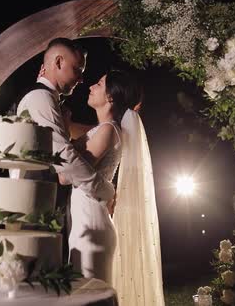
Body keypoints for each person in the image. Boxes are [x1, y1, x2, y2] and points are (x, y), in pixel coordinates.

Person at [63, 70, 165, 305]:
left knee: (89, 297)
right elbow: (73, 136)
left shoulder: (108, 130)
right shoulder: (101, 129)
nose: (91, 86)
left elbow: (67, 175)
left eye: (99, 84)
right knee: (83, 295)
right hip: (86, 221)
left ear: (110, 97)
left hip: (92, 223)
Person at [16, 37, 117, 261]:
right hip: (32, 205)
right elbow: (64, 159)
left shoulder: (46, 99)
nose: (81, 79)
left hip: (44, 205)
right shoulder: (40, 98)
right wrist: (105, 191)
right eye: (77, 69)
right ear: (58, 62)